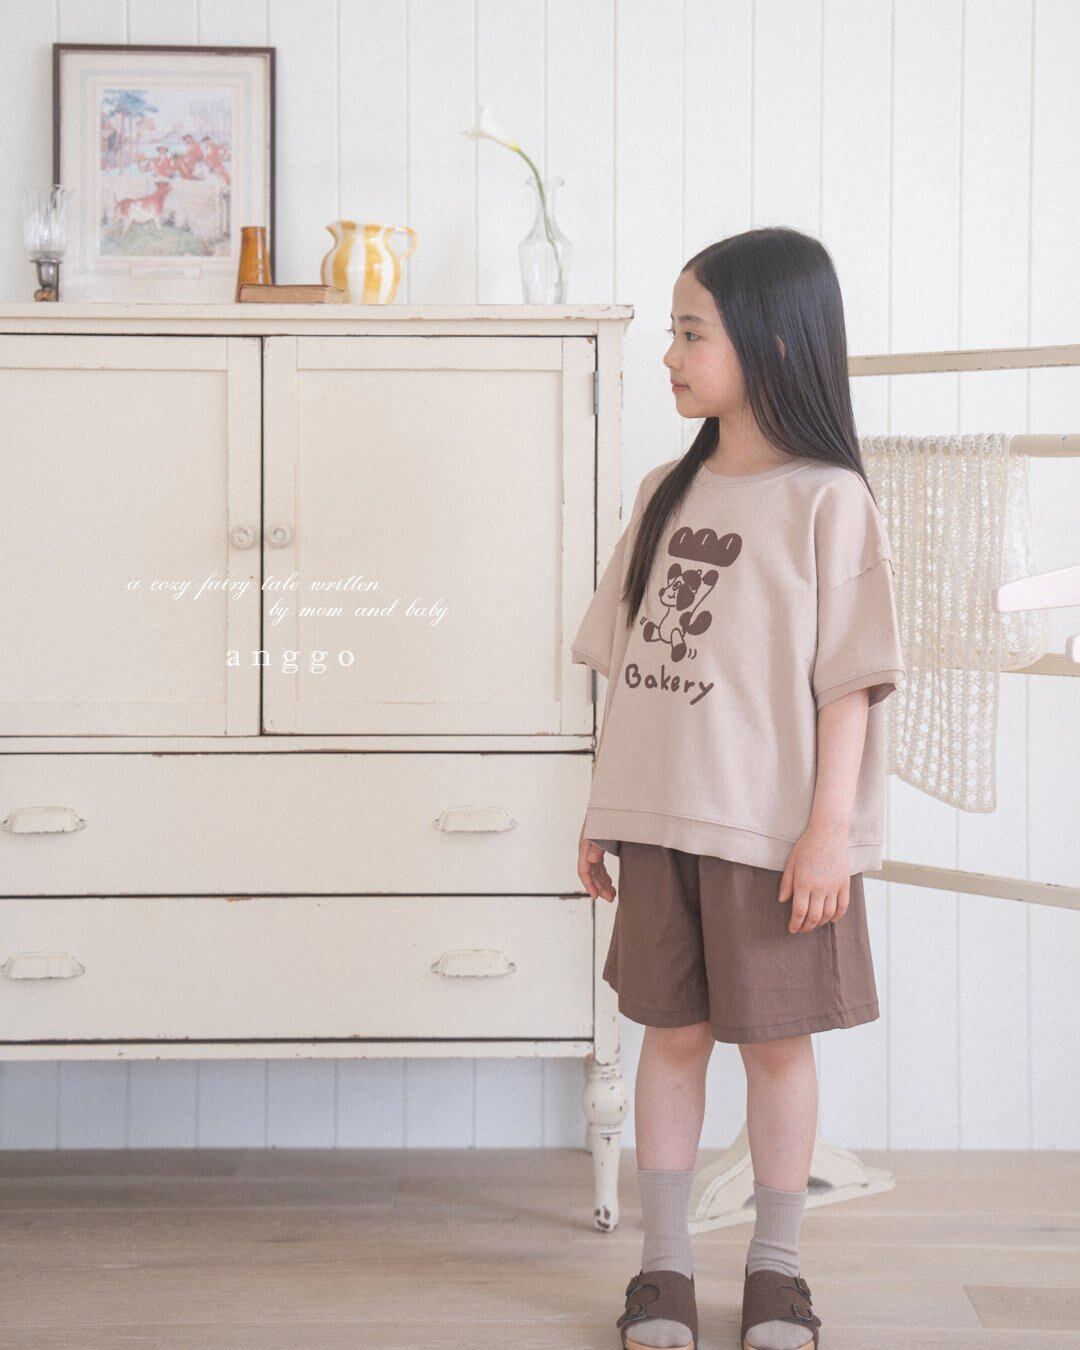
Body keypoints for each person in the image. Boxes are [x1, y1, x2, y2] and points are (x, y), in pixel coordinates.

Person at [571, 227, 905, 1350]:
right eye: (672, 332)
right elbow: (630, 668)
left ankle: (777, 1271)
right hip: (660, 823)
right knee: (670, 1038)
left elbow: (851, 685)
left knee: (774, 1047)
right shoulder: (663, 491)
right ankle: (663, 1269)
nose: (670, 355)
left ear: (772, 343)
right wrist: (603, 810)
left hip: (773, 837)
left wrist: (828, 834)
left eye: (690, 333)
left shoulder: (829, 502)